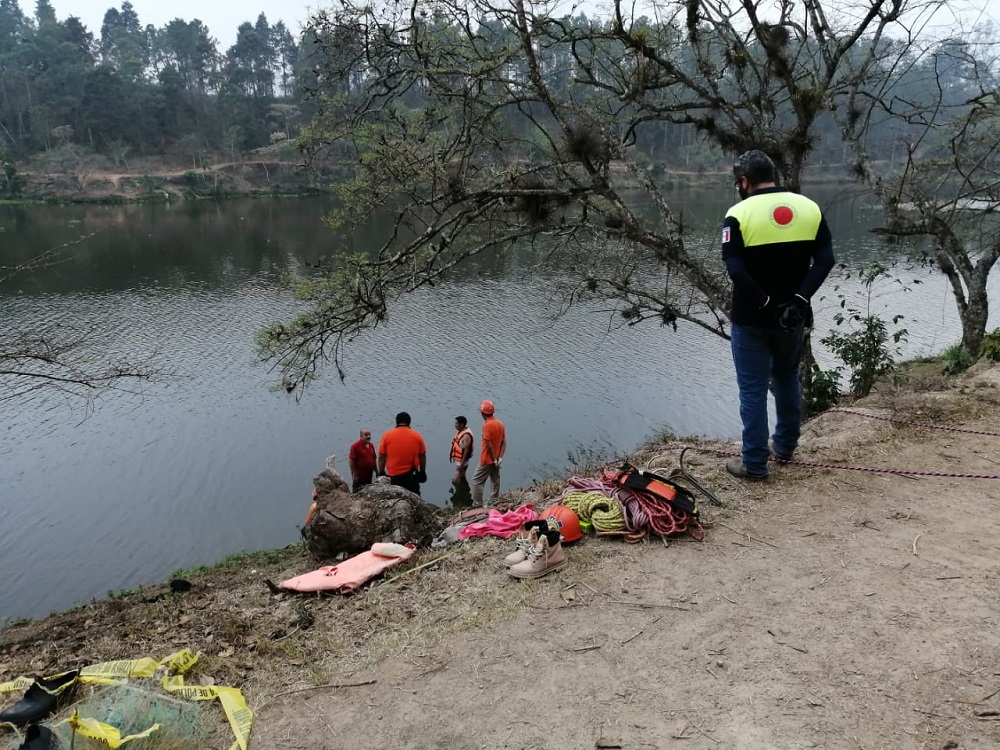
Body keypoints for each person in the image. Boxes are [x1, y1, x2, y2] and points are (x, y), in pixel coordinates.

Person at [722, 149, 835, 480]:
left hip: (751, 317)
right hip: (793, 316)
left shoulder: (738, 214)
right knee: (787, 378)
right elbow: (826, 260)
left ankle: (755, 463)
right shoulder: (808, 207)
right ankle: (784, 447)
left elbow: (736, 270)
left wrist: (765, 302)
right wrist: (798, 300)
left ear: (744, 182)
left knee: (753, 388)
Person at [376, 412, 428, 495]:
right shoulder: (417, 436)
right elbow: (422, 456)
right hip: (411, 477)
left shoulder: (387, 436)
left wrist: (381, 472)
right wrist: (422, 471)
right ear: (409, 422)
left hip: (394, 476)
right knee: (415, 500)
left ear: (396, 422)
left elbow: (382, 457)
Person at [471, 400, 506, 504]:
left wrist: (493, 459)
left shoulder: (486, 426)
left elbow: (489, 445)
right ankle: (495, 501)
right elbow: (504, 443)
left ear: (482, 413)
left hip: (486, 459)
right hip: (497, 458)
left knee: (477, 481)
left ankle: (478, 505)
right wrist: (500, 458)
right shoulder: (500, 423)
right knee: (495, 480)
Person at [449, 416, 474, 508]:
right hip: (459, 461)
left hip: (463, 462)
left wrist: (462, 464)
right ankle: (466, 495)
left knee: (455, 480)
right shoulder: (461, 432)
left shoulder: (466, 435)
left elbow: (466, 451)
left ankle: (460, 495)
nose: (455, 425)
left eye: (456, 423)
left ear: (462, 424)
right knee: (462, 477)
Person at [347, 428, 377, 492]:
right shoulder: (355, 446)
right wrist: (354, 474)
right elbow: (351, 461)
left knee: (368, 492)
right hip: (359, 478)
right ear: (361, 436)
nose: (368, 436)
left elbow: (374, 459)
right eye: (366, 435)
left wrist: (377, 471)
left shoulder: (371, 446)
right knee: (356, 493)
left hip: (369, 476)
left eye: (369, 434)